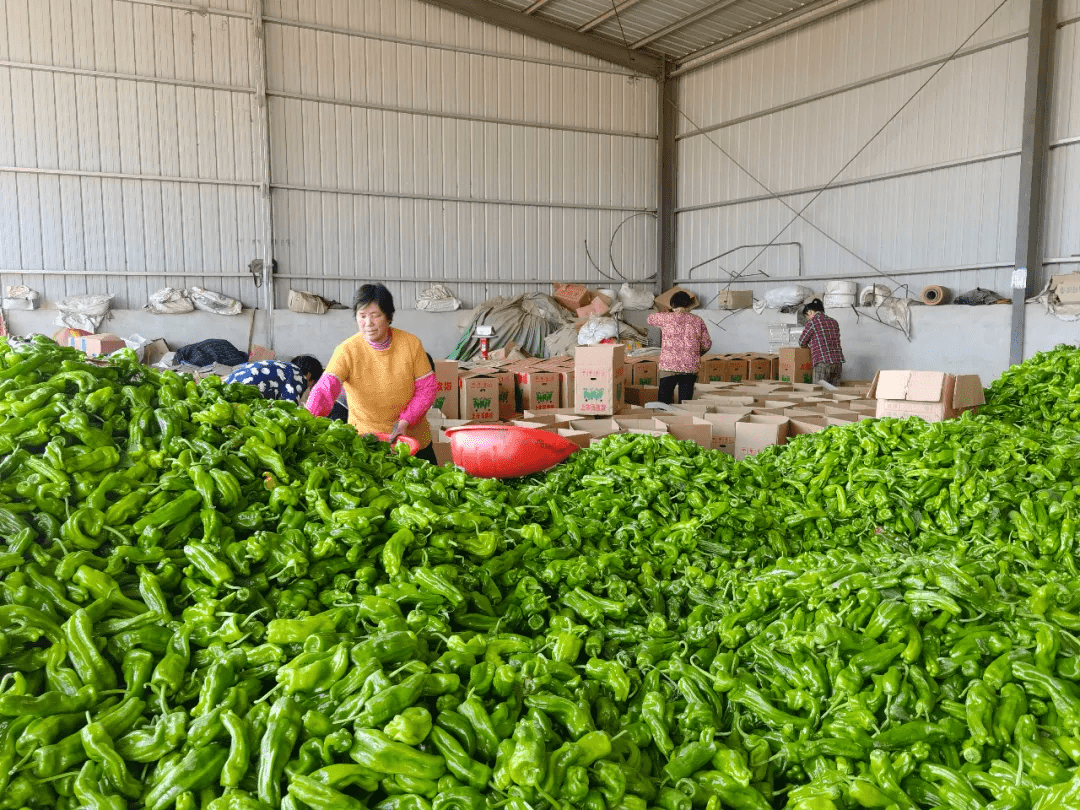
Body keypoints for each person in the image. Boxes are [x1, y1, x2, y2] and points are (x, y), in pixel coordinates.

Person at [305, 284, 438, 462]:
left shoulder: (411, 344)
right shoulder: (347, 350)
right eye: (362, 316)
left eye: (375, 316)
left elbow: (427, 389)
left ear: (389, 316)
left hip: (412, 440)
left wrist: (407, 420)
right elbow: (325, 389)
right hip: (366, 443)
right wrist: (305, 420)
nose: (368, 323)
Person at [647, 291, 712, 405]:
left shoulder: (666, 318)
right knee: (685, 403)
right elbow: (707, 344)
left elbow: (650, 319)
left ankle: (662, 421)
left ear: (672, 304)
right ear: (688, 305)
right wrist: (696, 353)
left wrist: (666, 310)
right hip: (689, 366)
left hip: (669, 365)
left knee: (663, 401)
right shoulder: (697, 320)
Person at [222, 355, 323, 403]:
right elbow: (288, 407)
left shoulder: (283, 367)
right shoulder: (298, 378)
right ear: (309, 375)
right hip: (239, 394)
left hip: (226, 387)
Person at [799, 298, 844, 385]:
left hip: (823, 363)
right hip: (838, 363)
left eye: (807, 317)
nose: (808, 319)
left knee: (818, 393)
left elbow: (802, 342)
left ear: (810, 312)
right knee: (833, 394)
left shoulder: (813, 322)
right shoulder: (834, 322)